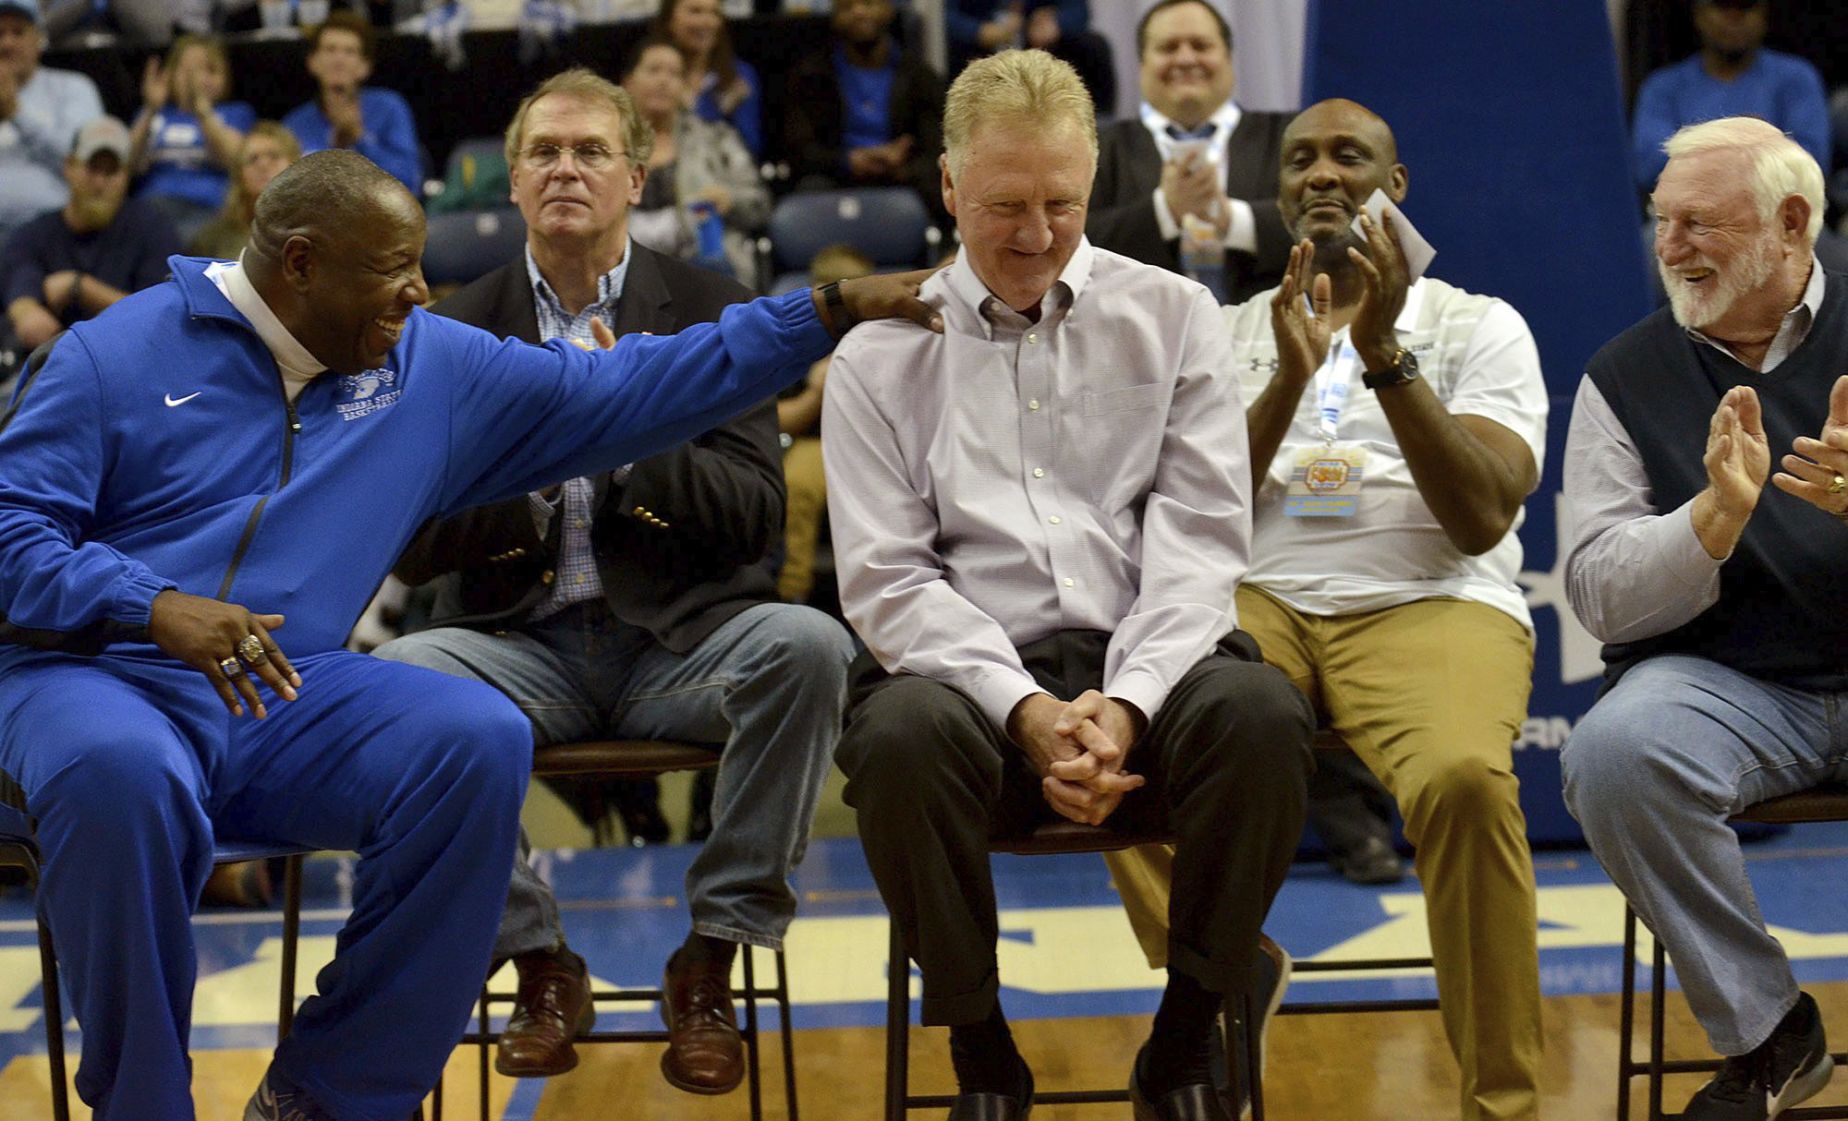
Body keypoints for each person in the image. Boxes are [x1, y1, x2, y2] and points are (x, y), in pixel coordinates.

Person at [0, 146, 936, 1121]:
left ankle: (331, 1094)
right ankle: (144, 1104)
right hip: (88, 672)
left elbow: (631, 388)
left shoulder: (423, 362)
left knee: (474, 737)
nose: (419, 288)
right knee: (126, 770)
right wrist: (147, 600)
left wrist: (824, 312)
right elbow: (7, 530)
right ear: (300, 263)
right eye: (392, 267)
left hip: (280, 681)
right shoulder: (110, 352)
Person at [824, 49, 1312, 1121]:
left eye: (1063, 203)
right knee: (897, 738)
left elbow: (1199, 545)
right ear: (949, 188)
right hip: (969, 689)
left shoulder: (1175, 313)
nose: (1038, 234)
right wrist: (1029, 710)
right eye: (1005, 205)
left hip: (1150, 663)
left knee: (1265, 714)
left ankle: (1185, 1042)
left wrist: (1126, 705)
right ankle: (984, 1055)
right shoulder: (875, 355)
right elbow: (888, 580)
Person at [374, 68, 854, 1094]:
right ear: (511, 182)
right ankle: (541, 961)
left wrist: (630, 439)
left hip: (676, 644)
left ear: (637, 177)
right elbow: (413, 545)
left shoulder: (712, 309)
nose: (566, 169)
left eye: (591, 151)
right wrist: (537, 476)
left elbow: (754, 515)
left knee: (812, 646)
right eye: (545, 151)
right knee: (397, 681)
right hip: (515, 642)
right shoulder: (453, 329)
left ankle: (711, 956)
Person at [1108, 98, 1549, 1121]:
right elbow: (1180, 513)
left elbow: (1482, 515)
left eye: (1351, 157)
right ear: (1279, 192)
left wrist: (1386, 355)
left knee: (1465, 784)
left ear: (1393, 188)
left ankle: (1506, 1102)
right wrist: (1286, 380)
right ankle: (1226, 960)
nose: (1321, 174)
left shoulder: (1478, 323)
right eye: (1300, 159)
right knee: (1123, 731)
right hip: (1259, 593)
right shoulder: (1221, 330)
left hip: (1429, 594)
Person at [1562, 115, 1847, 1121]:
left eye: (1699, 222)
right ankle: (1769, 1031)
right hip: (1730, 682)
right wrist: (1710, 519)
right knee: (1614, 753)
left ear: (1792, 222)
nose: (1671, 246)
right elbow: (1596, 588)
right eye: (1660, 220)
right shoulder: (1624, 374)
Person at [1087, 0, 1291, 306]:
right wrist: (1165, 212)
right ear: (1142, 63)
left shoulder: (1289, 137)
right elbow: (1071, 240)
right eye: (1168, 48)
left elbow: (1333, 225)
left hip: (1267, 337)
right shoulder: (1095, 146)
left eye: (1201, 45)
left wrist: (1232, 220)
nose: (1185, 58)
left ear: (1228, 57)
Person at [3, 116, 180, 352]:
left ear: (126, 175)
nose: (100, 182)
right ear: (69, 167)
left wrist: (80, 288)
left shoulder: (153, 228)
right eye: (92, 168)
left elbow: (159, 315)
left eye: (112, 171)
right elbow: (19, 272)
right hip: (47, 362)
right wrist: (26, 311)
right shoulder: (37, 231)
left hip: (125, 357)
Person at [1631, 0, 1828, 194]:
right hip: (1688, 210)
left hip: (1775, 208)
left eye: (1745, 7)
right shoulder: (1662, 86)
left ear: (1763, 14)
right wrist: (1753, 144)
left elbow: (1812, 163)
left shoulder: (1797, 78)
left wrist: (1699, 149)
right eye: (1722, 6)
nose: (1734, 18)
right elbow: (1649, 167)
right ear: (1699, 14)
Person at [784, 0, 947, 222]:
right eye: (847, 6)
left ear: (889, 10)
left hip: (904, 177)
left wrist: (901, 167)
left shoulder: (919, 76)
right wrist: (847, 160)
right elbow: (798, 150)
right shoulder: (810, 76)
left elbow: (938, 147)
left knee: (944, 190)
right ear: (834, 17)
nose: (859, 12)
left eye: (869, 3)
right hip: (834, 177)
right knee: (806, 193)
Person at [621, 34, 767, 280]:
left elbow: (759, 202)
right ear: (627, 82)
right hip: (628, 268)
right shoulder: (605, 144)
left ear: (685, 87)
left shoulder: (717, 137)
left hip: (706, 266)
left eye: (674, 74)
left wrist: (729, 199)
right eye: (654, 70)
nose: (664, 81)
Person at [776, 241, 871, 605]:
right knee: (797, 483)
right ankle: (791, 592)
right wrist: (815, 393)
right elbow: (780, 421)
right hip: (817, 442)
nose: (842, 296)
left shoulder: (886, 333)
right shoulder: (796, 341)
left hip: (874, 442)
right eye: (831, 286)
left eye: (851, 284)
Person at [283, 11, 422, 196]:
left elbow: (410, 181)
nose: (339, 60)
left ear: (365, 67)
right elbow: (285, 192)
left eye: (349, 52)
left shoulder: (389, 107)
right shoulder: (294, 124)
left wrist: (359, 137)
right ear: (312, 62)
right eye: (330, 49)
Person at [0, 0, 104, 247]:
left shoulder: (72, 88)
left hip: (52, 236)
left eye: (18, 32)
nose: (7, 43)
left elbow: (87, 164)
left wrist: (16, 114)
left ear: (39, 39)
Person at [128, 34, 254, 239]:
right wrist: (150, 110)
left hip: (210, 210)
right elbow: (128, 165)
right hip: (153, 207)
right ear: (169, 75)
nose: (199, 79)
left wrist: (203, 110)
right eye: (187, 70)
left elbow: (234, 162)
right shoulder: (152, 115)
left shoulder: (234, 113)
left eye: (210, 70)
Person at [946, 1, 1115, 116]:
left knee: (1093, 46)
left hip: (1035, 45)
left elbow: (1079, 10)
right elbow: (944, 16)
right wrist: (978, 31)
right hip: (978, 49)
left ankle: (1098, 125)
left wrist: (1056, 24)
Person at [653, 0, 763, 160]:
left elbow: (749, 147)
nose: (707, 22)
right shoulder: (653, 73)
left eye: (714, 13)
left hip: (725, 178)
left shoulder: (740, 76)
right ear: (669, 20)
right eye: (695, 11)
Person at [188, 121, 299, 260]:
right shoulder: (211, 239)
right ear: (239, 176)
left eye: (274, 156)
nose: (263, 165)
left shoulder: (315, 230)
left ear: (295, 165)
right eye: (253, 159)